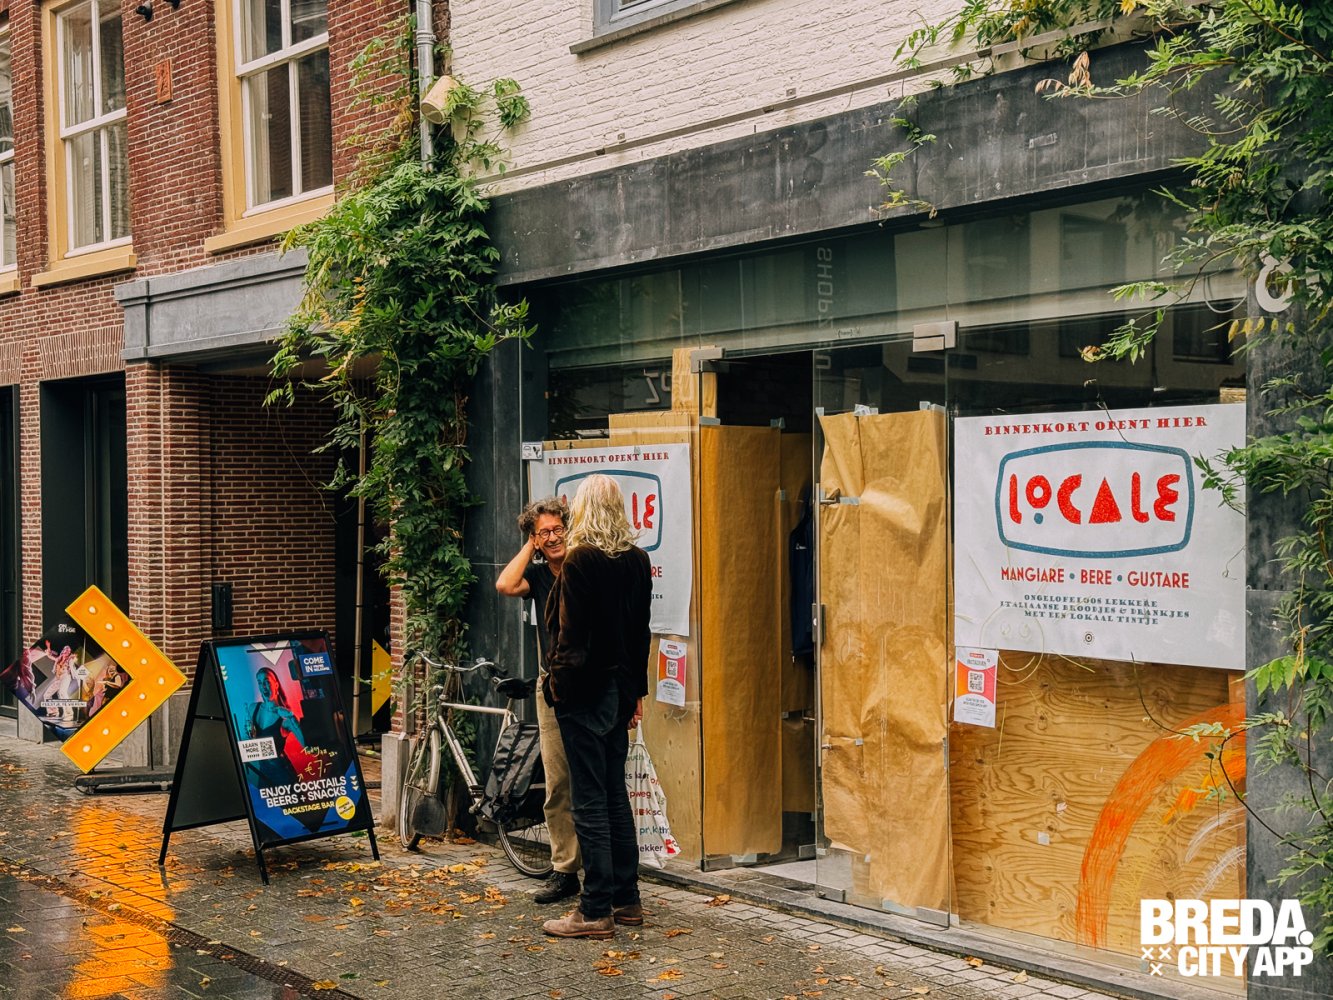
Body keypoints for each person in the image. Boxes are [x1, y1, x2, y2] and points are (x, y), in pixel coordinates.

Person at [541, 475, 653, 940]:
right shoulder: (638, 560)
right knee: (613, 795)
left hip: (584, 693)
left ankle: (594, 910)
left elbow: (571, 640)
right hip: (619, 691)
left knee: (588, 801)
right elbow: (641, 634)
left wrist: (557, 689)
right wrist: (635, 693)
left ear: (582, 509)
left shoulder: (580, 560)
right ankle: (627, 899)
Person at [495, 496, 583, 905]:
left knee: (596, 780)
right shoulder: (537, 575)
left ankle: (605, 868)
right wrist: (530, 546)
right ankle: (565, 870)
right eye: (542, 533)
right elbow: (505, 585)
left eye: (557, 529)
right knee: (558, 782)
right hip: (551, 688)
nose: (552, 538)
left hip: (589, 686)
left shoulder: (584, 566)